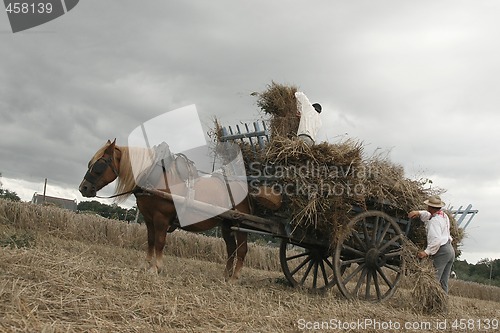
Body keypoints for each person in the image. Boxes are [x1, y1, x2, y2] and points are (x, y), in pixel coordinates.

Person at [408, 195, 455, 293]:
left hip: (442, 251)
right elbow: (428, 215)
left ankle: (432, 305)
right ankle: (442, 306)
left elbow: (436, 240)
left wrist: (426, 252)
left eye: (428, 206)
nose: (427, 207)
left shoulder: (434, 221)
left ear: (430, 207)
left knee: (433, 281)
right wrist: (418, 213)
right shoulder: (443, 216)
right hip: (450, 250)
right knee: (443, 283)